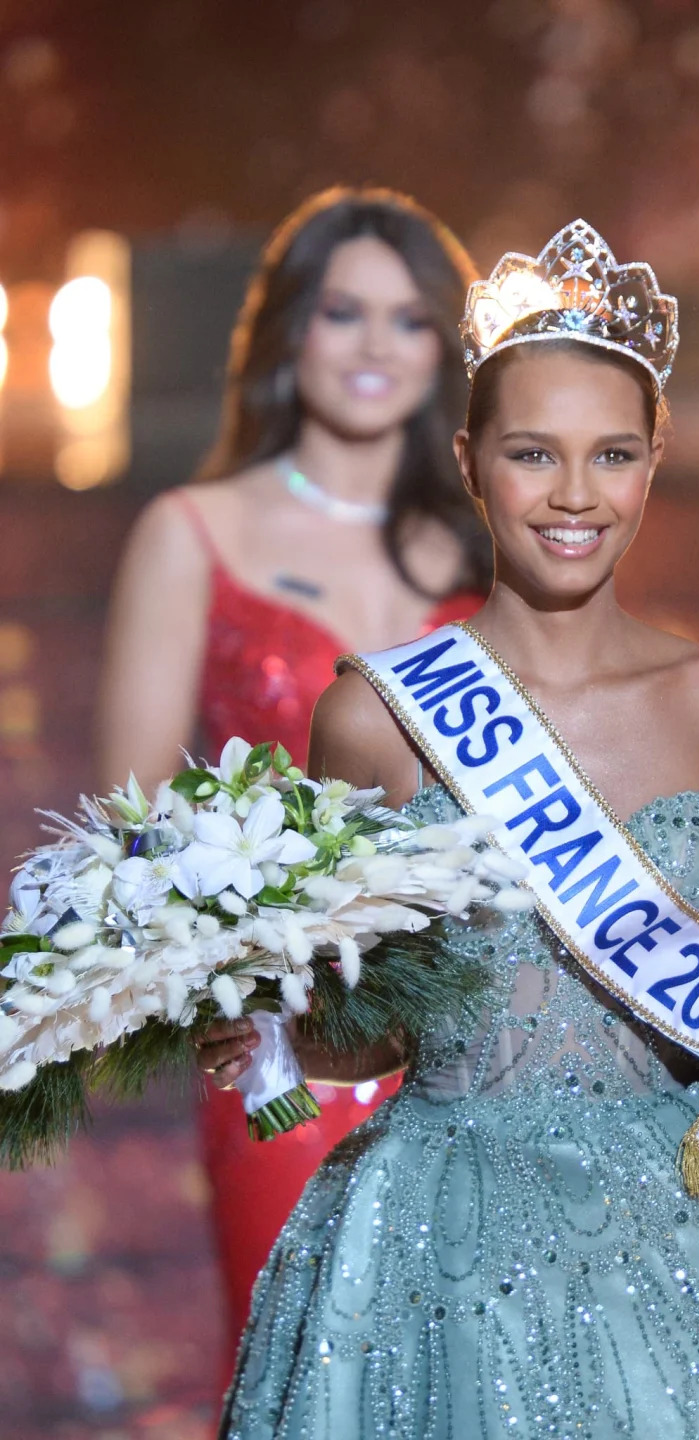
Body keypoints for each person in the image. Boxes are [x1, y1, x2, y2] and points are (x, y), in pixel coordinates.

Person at [211, 223, 699, 1437]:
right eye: (531, 454)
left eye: (612, 454)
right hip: (438, 1238)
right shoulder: (377, 718)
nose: (574, 496)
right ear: (468, 463)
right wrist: (263, 1020)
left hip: (694, 1222)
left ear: (654, 462)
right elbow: (364, 1040)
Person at [97, 188, 490, 1360]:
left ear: (447, 350)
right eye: (342, 313)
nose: (376, 346)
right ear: (287, 333)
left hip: (485, 1051)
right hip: (282, 1053)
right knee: (306, 1367)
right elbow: (131, 829)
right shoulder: (191, 531)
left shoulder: (493, 545)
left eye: (411, 320)